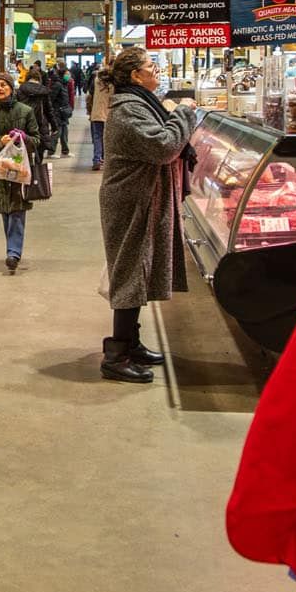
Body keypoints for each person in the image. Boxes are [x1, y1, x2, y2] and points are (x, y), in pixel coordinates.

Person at [98, 46, 197, 384]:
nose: (157, 70)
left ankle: (132, 343)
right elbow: (164, 146)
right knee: (130, 273)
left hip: (143, 199)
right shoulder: (128, 110)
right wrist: (183, 113)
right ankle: (116, 356)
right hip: (130, 202)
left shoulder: (140, 103)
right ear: (135, 76)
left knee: (140, 270)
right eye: (151, 66)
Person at [0, 72, 40, 274]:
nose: (0, 88)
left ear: (12, 88)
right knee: (6, 210)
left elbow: (37, 139)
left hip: (20, 169)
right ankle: (12, 249)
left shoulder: (26, 111)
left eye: (4, 85)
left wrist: (23, 139)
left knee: (17, 211)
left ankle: (13, 253)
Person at [17, 68, 60, 163]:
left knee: (24, 151)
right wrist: (54, 126)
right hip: (41, 125)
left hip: (24, 125)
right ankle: (37, 172)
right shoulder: (44, 91)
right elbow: (49, 111)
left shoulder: (20, 90)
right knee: (39, 152)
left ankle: (27, 172)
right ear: (39, 79)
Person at [89, 65, 112, 170]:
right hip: (109, 114)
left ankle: (96, 160)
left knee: (97, 137)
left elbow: (90, 93)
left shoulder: (96, 81)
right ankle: (106, 159)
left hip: (97, 113)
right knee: (108, 138)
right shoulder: (113, 84)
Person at [49, 64, 73, 158]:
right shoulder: (58, 84)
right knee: (57, 131)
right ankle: (51, 152)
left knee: (64, 132)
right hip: (58, 111)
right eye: (67, 74)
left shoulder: (64, 84)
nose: (69, 76)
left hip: (64, 112)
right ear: (62, 74)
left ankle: (65, 151)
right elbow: (51, 98)